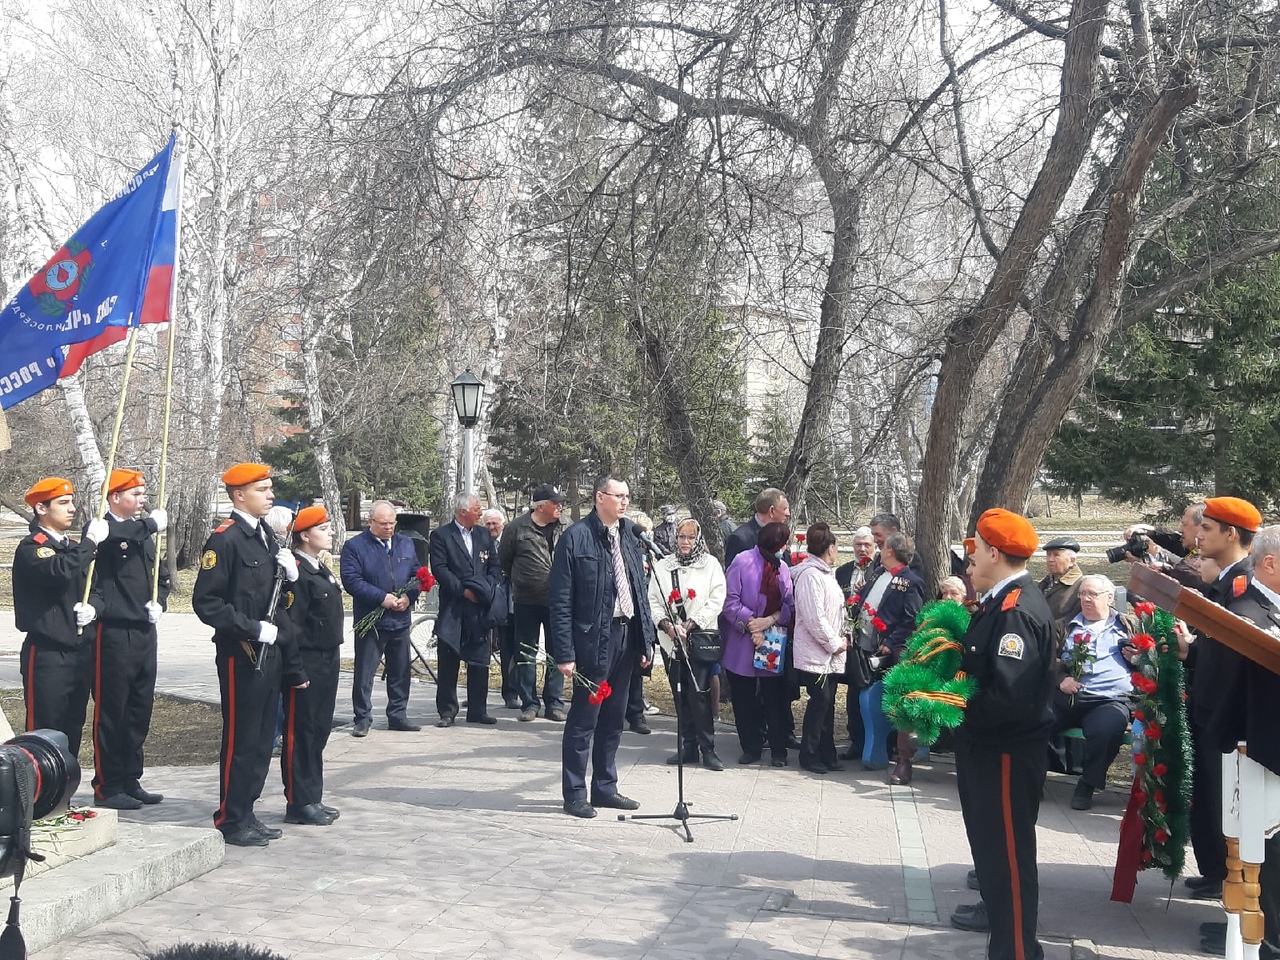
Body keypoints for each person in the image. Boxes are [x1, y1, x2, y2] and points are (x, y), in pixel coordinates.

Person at [950, 508, 1055, 960]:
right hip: (987, 749)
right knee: (992, 855)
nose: (970, 553)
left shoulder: (1016, 610)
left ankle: (1016, 952)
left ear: (995, 552)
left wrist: (950, 701)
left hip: (1006, 752)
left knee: (1009, 861)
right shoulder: (1000, 600)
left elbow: (1008, 697)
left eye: (976, 545)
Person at [192, 463, 306, 848]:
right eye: (263, 489)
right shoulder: (225, 540)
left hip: (269, 652)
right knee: (242, 739)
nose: (270, 495)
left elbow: (276, 597)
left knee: (261, 740)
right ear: (239, 494)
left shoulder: (264, 537)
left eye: (270, 488)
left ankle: (247, 809)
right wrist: (252, 628)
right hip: (241, 653)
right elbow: (206, 603)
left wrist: (292, 577)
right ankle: (230, 817)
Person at [548, 475, 655, 818]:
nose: (625, 502)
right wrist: (565, 652)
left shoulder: (628, 536)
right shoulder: (575, 538)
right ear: (599, 498)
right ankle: (575, 793)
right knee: (584, 720)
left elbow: (639, 591)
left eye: (627, 496)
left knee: (613, 719)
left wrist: (645, 639)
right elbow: (560, 601)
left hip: (625, 638)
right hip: (593, 640)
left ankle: (605, 787)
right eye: (618, 495)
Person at [1183, 496, 1259, 902]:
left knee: (1232, 812)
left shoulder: (1243, 585)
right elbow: (1215, 648)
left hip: (1228, 719)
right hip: (1210, 710)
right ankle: (1219, 879)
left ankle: (1237, 907)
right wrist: (1189, 651)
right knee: (1214, 803)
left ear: (1232, 534)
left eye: (1208, 529)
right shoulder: (1227, 583)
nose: (1198, 536)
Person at [85, 468, 170, 810]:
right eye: (135, 495)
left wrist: (160, 603)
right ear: (115, 497)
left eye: (142, 494)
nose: (142, 501)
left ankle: (130, 777)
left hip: (144, 631)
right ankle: (107, 783)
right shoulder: (104, 529)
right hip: (114, 632)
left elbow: (161, 576)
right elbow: (118, 534)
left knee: (139, 707)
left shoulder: (144, 534)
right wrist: (150, 524)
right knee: (113, 710)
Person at [13, 477, 106, 754]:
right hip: (48, 654)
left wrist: (94, 609)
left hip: (79, 652)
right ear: (41, 508)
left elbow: (98, 587)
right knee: (44, 732)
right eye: (63, 503)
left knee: (72, 727)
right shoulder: (32, 548)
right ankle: (40, 797)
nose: (72, 508)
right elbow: (59, 571)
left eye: (72, 501)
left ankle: (64, 796)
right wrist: (90, 543)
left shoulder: (73, 547)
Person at [278, 506, 343, 826]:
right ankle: (298, 801)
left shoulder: (318, 568)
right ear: (305, 535)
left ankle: (312, 795)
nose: (330, 532)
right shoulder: (297, 571)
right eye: (323, 528)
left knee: (319, 730)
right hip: (307, 659)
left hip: (327, 658)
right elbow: (290, 624)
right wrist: (294, 669)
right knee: (300, 732)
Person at [1051, 575, 1137, 810]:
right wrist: (1062, 678)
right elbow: (1047, 658)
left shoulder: (1127, 625)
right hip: (1070, 695)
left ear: (1109, 598)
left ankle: (1088, 783)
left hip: (1109, 699)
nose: (1086, 599)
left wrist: (1137, 658)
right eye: (1082, 594)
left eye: (1093, 594)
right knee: (1037, 719)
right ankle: (1032, 778)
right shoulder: (1064, 625)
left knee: (1107, 729)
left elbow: (1150, 659)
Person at [648, 517, 727, 770]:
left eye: (690, 538)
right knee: (680, 694)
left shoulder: (710, 564)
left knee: (700, 695)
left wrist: (692, 623)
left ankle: (708, 748)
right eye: (681, 536)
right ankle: (688, 746)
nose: (685, 542)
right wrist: (667, 626)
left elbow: (717, 598)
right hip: (672, 641)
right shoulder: (664, 565)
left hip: (699, 638)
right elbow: (654, 600)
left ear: (698, 540)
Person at [340, 500, 422, 736]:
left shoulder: (405, 543)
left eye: (392, 523)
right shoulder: (355, 547)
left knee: (400, 670)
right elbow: (352, 580)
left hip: (400, 619)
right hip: (371, 621)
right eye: (383, 523)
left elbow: (417, 574)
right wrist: (381, 598)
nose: (389, 528)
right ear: (371, 522)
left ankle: (398, 714)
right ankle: (363, 718)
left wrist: (409, 596)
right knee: (365, 671)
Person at [720, 521, 795, 767]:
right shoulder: (742, 561)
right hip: (742, 640)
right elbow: (730, 602)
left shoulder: (782, 568)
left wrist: (769, 621)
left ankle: (778, 749)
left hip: (771, 641)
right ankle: (750, 746)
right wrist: (751, 624)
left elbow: (788, 606)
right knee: (744, 698)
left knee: (774, 698)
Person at [850, 532, 925, 777]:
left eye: (882, 547)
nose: (879, 551)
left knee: (898, 698)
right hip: (866, 646)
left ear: (891, 550)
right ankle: (865, 745)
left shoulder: (910, 581)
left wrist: (892, 643)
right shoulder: (877, 574)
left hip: (892, 652)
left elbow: (911, 618)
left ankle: (903, 755)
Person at [430, 493, 503, 726]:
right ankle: (447, 711)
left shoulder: (483, 534)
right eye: (477, 509)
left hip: (480, 608)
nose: (480, 513)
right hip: (454, 606)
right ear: (463, 512)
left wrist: (489, 589)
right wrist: (463, 591)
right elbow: (440, 569)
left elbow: (494, 565)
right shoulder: (441, 535)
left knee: (480, 659)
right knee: (449, 659)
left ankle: (477, 710)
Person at [790, 522, 849, 775]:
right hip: (816, 652)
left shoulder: (826, 574)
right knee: (820, 700)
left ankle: (827, 751)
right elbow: (815, 618)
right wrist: (834, 643)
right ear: (831, 548)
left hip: (829, 653)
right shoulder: (810, 575)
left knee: (828, 703)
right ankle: (809, 752)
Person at [481, 508, 519, 711]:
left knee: (510, 650)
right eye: (487, 524)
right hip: (486, 602)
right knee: (485, 648)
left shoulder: (510, 540)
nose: (491, 527)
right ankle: (477, 694)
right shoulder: (481, 542)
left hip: (510, 602)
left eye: (494, 523)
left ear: (502, 524)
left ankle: (512, 692)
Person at [723, 488, 790, 568]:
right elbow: (733, 576)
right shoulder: (739, 539)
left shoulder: (780, 534)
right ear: (772, 510)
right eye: (785, 509)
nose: (788, 513)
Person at [1039, 536, 1084, 645]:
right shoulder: (1043, 584)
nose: (1050, 559)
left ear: (1072, 561)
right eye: (1048, 555)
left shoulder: (1082, 587)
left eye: (1056, 555)